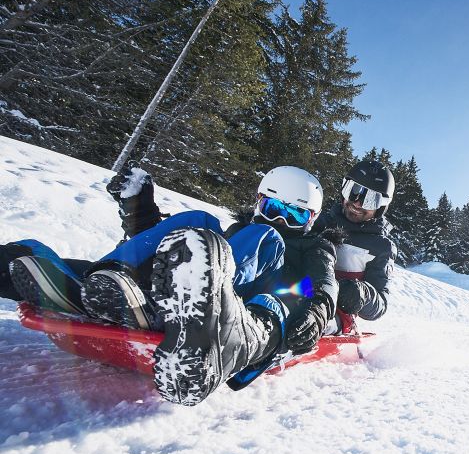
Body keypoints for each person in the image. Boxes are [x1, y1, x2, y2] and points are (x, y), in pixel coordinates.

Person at [1, 165, 339, 406]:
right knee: (199, 222)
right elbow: (160, 248)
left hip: (238, 304)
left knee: (264, 236)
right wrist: (140, 210)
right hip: (177, 284)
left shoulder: (312, 247)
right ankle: (104, 284)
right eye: (273, 207)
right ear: (258, 201)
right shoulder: (235, 230)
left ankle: (195, 299)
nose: (280, 219)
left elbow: (322, 287)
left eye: (294, 215)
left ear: (311, 220)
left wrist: (318, 312)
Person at [313, 159, 397, 332]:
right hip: (300, 293)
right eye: (354, 192)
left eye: (370, 199)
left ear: (381, 206)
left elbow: (380, 304)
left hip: (337, 313)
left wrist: (363, 294)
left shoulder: (380, 247)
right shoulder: (318, 223)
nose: (357, 203)